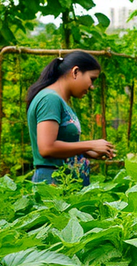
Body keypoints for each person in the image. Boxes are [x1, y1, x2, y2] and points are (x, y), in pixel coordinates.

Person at [26, 52, 116, 186]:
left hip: (64, 181)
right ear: (75, 72)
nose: (92, 87)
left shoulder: (60, 101)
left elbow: (60, 145)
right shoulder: (50, 99)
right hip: (54, 183)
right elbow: (47, 148)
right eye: (92, 79)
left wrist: (88, 152)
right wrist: (91, 144)